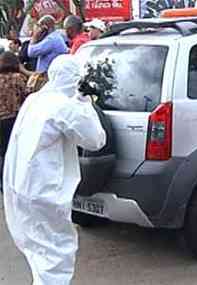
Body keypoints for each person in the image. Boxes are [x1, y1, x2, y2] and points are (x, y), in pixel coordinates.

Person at [3, 54, 106, 285]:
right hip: (45, 193)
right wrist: (85, 101)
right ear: (75, 79)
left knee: (39, 252)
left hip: (21, 187)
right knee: (56, 255)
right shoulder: (64, 107)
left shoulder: (36, 99)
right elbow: (95, 139)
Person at [0, 52, 27, 191]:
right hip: (11, 119)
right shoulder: (18, 78)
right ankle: (6, 181)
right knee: (8, 151)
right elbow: (26, 96)